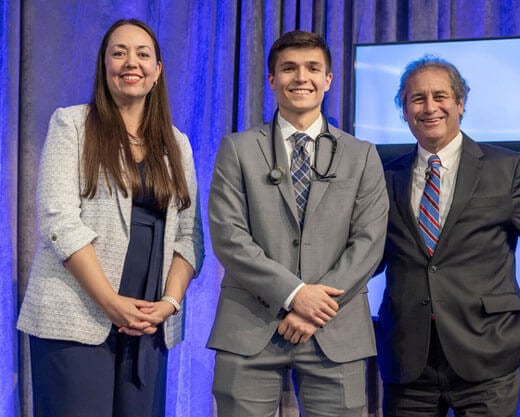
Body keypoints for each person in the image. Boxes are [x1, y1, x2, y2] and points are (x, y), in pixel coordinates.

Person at [16, 19, 204, 417]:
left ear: (157, 71)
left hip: (149, 325)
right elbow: (58, 220)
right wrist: (110, 302)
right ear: (104, 66)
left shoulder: (178, 145)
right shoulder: (72, 124)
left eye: (142, 54)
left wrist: (169, 303)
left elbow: (190, 237)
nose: (130, 62)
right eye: (118, 53)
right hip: (76, 314)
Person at [207, 30, 388, 416]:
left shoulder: (362, 155)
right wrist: (294, 295)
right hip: (250, 327)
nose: (300, 77)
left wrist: (313, 306)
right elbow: (229, 236)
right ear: (271, 80)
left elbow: (369, 242)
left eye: (312, 68)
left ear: (328, 80)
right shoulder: (237, 149)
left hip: (334, 331)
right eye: (288, 68)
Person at [375, 55, 520, 416]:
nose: (429, 107)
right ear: (404, 111)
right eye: (417, 99)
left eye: (440, 96)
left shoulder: (505, 167)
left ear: (460, 104)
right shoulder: (386, 176)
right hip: (407, 357)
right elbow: (369, 255)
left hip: (488, 355)